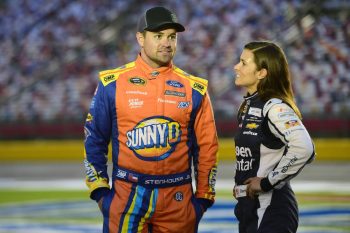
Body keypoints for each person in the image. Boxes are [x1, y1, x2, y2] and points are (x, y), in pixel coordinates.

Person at [83, 6, 218, 233]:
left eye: (172, 37)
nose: (167, 43)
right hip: (127, 197)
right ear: (140, 38)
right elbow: (94, 139)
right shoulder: (111, 84)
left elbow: (207, 148)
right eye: (158, 36)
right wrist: (99, 191)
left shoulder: (196, 88)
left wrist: (203, 198)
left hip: (178, 198)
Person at [232, 41, 315, 233]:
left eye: (243, 63)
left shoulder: (274, 107)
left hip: (271, 209)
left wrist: (266, 182)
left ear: (262, 73)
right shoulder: (247, 106)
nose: (236, 66)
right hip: (250, 207)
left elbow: (304, 148)